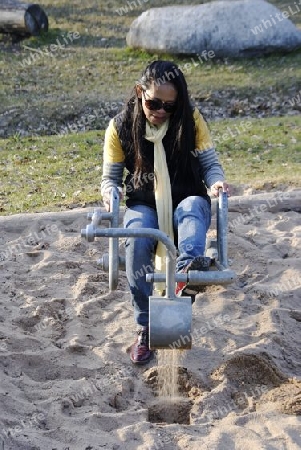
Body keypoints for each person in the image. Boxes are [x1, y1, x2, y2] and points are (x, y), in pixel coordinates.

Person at [101, 60, 229, 365]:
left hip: (187, 196)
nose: (160, 111)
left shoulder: (191, 120)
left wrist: (216, 183)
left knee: (191, 213)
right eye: (153, 102)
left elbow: (210, 165)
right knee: (138, 237)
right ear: (139, 92)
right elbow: (110, 178)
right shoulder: (120, 127)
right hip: (143, 202)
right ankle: (146, 326)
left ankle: (184, 276)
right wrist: (110, 192)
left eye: (169, 106)